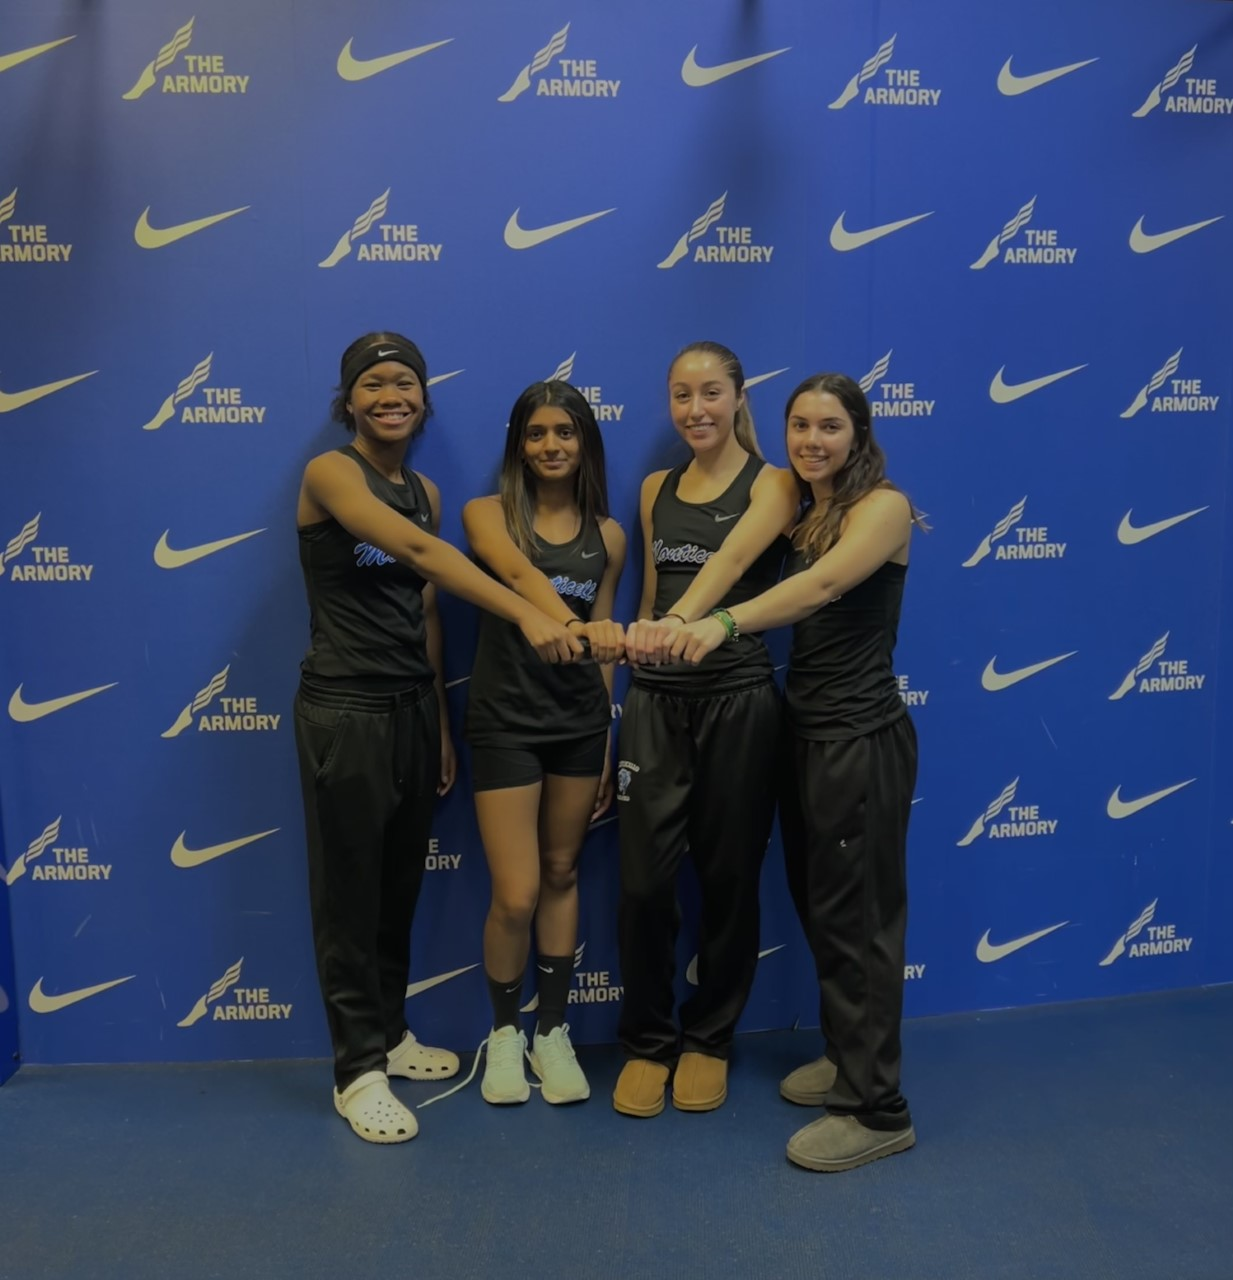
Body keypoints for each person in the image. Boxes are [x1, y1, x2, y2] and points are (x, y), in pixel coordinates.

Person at [293, 333, 582, 1144]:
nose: (392, 394)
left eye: (407, 383)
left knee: (396, 890)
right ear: (349, 399)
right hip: (343, 710)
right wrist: (526, 609)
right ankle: (357, 1073)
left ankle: (388, 1031)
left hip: (412, 714)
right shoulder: (332, 474)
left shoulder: (420, 484)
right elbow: (418, 551)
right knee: (349, 899)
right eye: (374, 383)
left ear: (424, 400)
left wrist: (440, 720)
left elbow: (422, 605)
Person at [669, 372, 925, 1172]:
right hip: (803, 734)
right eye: (799, 426)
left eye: (829, 427)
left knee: (861, 925)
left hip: (859, 739)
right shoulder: (802, 502)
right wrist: (672, 621)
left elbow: (820, 586)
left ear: (859, 434)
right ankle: (852, 1059)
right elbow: (737, 550)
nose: (812, 440)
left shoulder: (882, 508)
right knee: (822, 913)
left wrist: (719, 624)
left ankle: (876, 1107)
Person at [612, 341, 798, 1119]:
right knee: (644, 884)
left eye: (710, 393)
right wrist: (645, 642)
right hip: (657, 702)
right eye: (681, 395)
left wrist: (681, 621)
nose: (695, 409)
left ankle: (709, 1038)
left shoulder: (777, 483)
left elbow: (728, 565)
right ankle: (650, 1041)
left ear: (736, 396)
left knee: (727, 878)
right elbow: (654, 587)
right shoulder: (656, 487)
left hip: (737, 701)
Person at [461, 380, 625, 1107]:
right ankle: (503, 1035)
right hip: (504, 722)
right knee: (516, 892)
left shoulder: (610, 535)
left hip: (579, 726)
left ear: (584, 442)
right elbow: (520, 575)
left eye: (565, 432)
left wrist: (609, 732)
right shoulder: (486, 514)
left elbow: (608, 649)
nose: (551, 445)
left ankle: (551, 1032)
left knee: (561, 872)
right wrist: (579, 629)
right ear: (518, 445)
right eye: (536, 434)